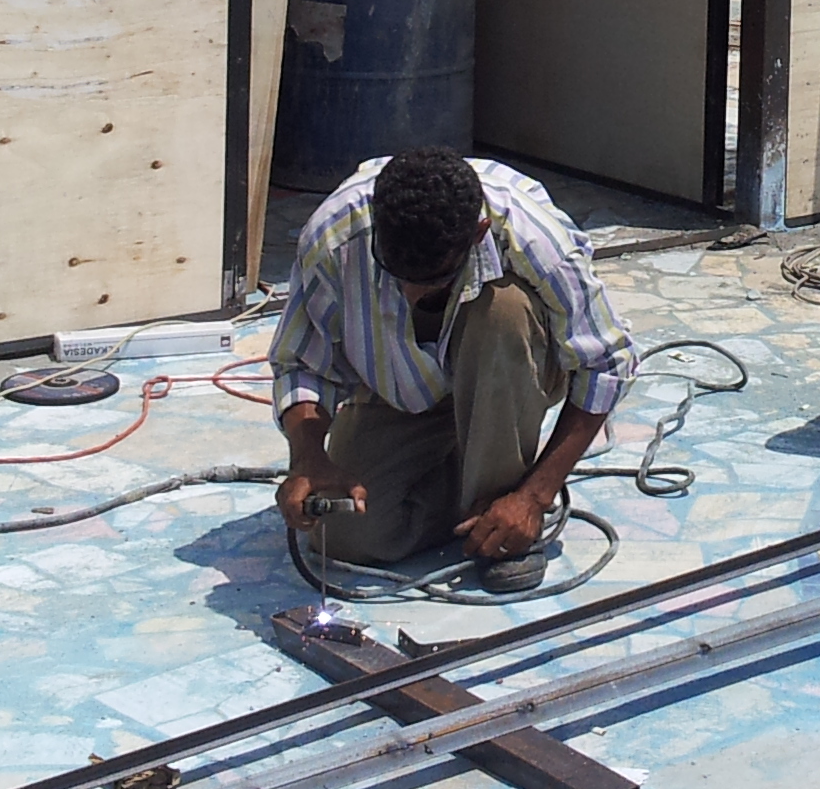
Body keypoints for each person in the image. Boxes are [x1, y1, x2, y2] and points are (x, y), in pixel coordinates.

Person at [271, 147, 637, 592]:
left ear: (478, 233)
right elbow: (301, 364)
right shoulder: (334, 237)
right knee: (345, 534)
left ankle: (504, 515)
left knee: (504, 309)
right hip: (400, 390)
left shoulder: (532, 235)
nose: (410, 293)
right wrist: (309, 458)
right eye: (395, 272)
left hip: (506, 372)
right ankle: (476, 508)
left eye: (433, 279)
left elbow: (606, 364)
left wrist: (534, 495)